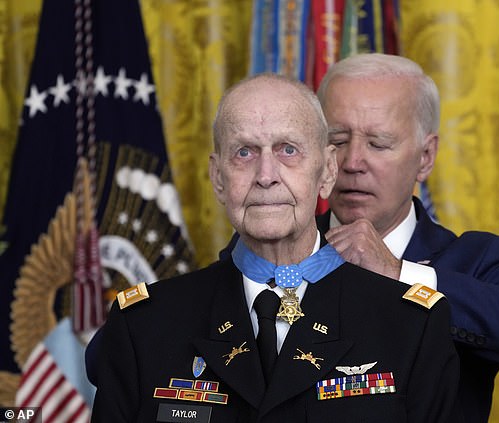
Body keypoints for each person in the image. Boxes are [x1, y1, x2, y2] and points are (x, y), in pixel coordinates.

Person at [91, 73, 461, 422]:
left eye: (288, 150)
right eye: (244, 153)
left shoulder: (411, 324)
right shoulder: (144, 324)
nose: (266, 176)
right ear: (218, 178)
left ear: (328, 171)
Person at [312, 53, 499, 422]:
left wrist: (400, 274)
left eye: (378, 143)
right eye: (337, 140)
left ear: (425, 157)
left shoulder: (475, 258)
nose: (352, 162)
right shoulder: (276, 246)